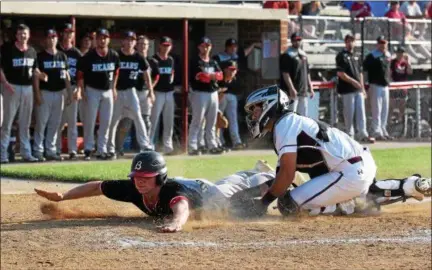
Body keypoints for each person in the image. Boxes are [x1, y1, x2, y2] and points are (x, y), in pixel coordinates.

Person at [240, 85, 431, 217]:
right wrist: (248, 196)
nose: (254, 115)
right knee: (295, 195)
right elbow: (281, 177)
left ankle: (349, 204)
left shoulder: (284, 124)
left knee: (288, 205)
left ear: (270, 105)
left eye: (256, 109)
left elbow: (288, 175)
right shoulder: (289, 124)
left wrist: (262, 203)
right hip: (358, 165)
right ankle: (410, 185)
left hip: (349, 172)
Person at [34, 151, 280, 233]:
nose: (139, 181)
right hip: (192, 188)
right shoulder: (133, 189)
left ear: (159, 178)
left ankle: (266, 175)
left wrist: (176, 223)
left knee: (236, 197)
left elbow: (181, 207)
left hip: (207, 193)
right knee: (235, 192)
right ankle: (258, 174)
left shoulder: (171, 190)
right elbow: (97, 186)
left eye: (146, 177)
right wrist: (63, 196)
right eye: (136, 177)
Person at [106, 30, 154, 159]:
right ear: (123, 41)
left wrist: (151, 92)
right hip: (118, 91)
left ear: (135, 42)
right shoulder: (117, 55)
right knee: (114, 120)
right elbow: (111, 73)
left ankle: (145, 145)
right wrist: (112, 88)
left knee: (138, 117)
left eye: (132, 40)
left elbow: (146, 75)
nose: (129, 42)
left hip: (131, 91)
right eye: (127, 39)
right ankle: (110, 148)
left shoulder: (138, 57)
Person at [77, 28, 120, 160]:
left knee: (106, 122)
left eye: (105, 37)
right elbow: (80, 74)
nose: (102, 40)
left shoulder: (113, 55)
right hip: (92, 90)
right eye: (100, 37)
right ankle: (88, 148)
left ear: (109, 39)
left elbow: (117, 71)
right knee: (89, 121)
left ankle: (102, 149)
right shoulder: (89, 56)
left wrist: (114, 88)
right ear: (96, 40)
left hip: (107, 91)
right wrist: (82, 90)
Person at [0, 24, 41, 163]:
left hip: (28, 88)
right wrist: (5, 83)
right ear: (16, 35)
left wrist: (41, 76)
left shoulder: (32, 51)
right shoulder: (9, 50)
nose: (23, 36)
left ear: (28, 35)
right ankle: (2, 154)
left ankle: (26, 153)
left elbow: (35, 70)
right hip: (12, 87)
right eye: (20, 34)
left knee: (25, 123)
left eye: (25, 33)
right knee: (7, 123)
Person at [33, 28, 72, 161]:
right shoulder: (40, 56)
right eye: (49, 37)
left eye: (54, 37)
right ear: (45, 40)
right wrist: (37, 94)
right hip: (45, 93)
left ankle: (51, 150)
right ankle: (38, 150)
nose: (52, 39)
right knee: (41, 123)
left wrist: (69, 92)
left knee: (55, 124)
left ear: (57, 38)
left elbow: (66, 75)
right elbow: (36, 76)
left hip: (60, 92)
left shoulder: (62, 55)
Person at [335, 34, 374, 143]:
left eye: (353, 41)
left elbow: (360, 73)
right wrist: (353, 82)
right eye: (349, 41)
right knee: (349, 113)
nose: (351, 43)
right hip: (347, 89)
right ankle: (349, 134)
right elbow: (340, 73)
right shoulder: (341, 55)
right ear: (345, 42)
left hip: (358, 89)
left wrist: (362, 87)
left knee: (361, 112)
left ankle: (362, 133)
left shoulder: (357, 55)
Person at [188, 37, 224, 156]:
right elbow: (201, 77)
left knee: (212, 121)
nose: (206, 48)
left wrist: (210, 75)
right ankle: (193, 146)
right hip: (199, 93)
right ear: (199, 47)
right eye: (203, 46)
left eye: (207, 46)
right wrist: (212, 76)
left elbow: (221, 76)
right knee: (197, 120)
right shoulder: (195, 61)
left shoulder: (213, 61)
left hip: (213, 93)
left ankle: (212, 145)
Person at [56, 23, 83, 160]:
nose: (68, 35)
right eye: (66, 32)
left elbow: (81, 74)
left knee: (72, 121)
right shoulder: (56, 50)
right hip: (58, 89)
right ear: (62, 34)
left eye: (70, 33)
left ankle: (73, 150)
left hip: (72, 88)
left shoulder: (76, 53)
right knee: (57, 121)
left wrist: (78, 89)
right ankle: (56, 149)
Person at [149, 36, 176, 155]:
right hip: (157, 92)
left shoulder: (171, 59)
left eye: (168, 45)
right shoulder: (153, 59)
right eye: (164, 45)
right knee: (153, 120)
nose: (166, 47)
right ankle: (149, 144)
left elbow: (172, 74)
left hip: (169, 92)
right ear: (159, 45)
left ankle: (167, 146)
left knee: (168, 120)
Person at [363, 36, 393, 141]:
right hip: (375, 84)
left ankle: (383, 129)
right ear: (377, 44)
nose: (383, 45)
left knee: (385, 109)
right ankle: (376, 131)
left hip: (385, 85)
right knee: (377, 110)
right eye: (381, 43)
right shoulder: (372, 55)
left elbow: (389, 70)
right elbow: (365, 69)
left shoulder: (388, 54)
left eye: (384, 43)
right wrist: (365, 85)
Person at [279, 33, 314, 117]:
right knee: (291, 116)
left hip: (303, 91)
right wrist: (291, 88)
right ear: (291, 41)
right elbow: (285, 73)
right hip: (292, 92)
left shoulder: (303, 54)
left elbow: (307, 72)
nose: (297, 42)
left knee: (303, 117)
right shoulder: (287, 55)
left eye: (299, 40)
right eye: (295, 40)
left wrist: (310, 86)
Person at [217, 60, 244, 150]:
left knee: (233, 119)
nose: (232, 72)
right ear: (225, 70)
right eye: (230, 69)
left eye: (234, 70)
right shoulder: (220, 78)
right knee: (219, 120)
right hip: (220, 97)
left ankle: (236, 142)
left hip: (231, 97)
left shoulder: (236, 80)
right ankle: (219, 142)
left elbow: (238, 91)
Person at [390, 46, 412, 123]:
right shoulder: (393, 62)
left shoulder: (405, 63)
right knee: (392, 103)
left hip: (403, 86)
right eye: (398, 52)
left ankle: (400, 118)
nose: (400, 54)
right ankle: (391, 118)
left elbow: (410, 72)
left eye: (402, 53)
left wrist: (408, 62)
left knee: (402, 102)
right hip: (394, 85)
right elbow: (389, 73)